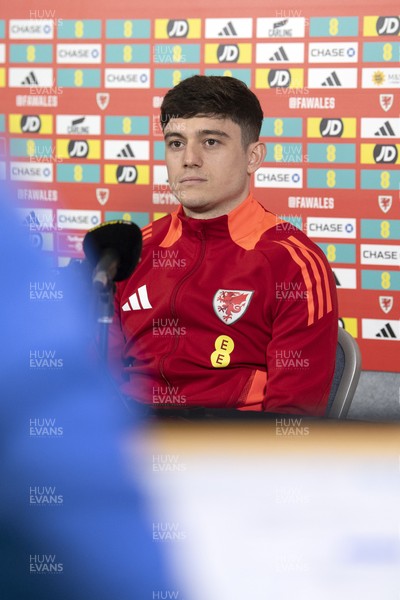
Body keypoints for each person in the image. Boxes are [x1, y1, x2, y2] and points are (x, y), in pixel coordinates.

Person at [109, 75, 338, 416]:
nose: (189, 159)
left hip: (227, 458)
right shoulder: (130, 253)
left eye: (211, 142)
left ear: (253, 157)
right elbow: (88, 381)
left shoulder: (293, 264)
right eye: (176, 143)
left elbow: (292, 425)